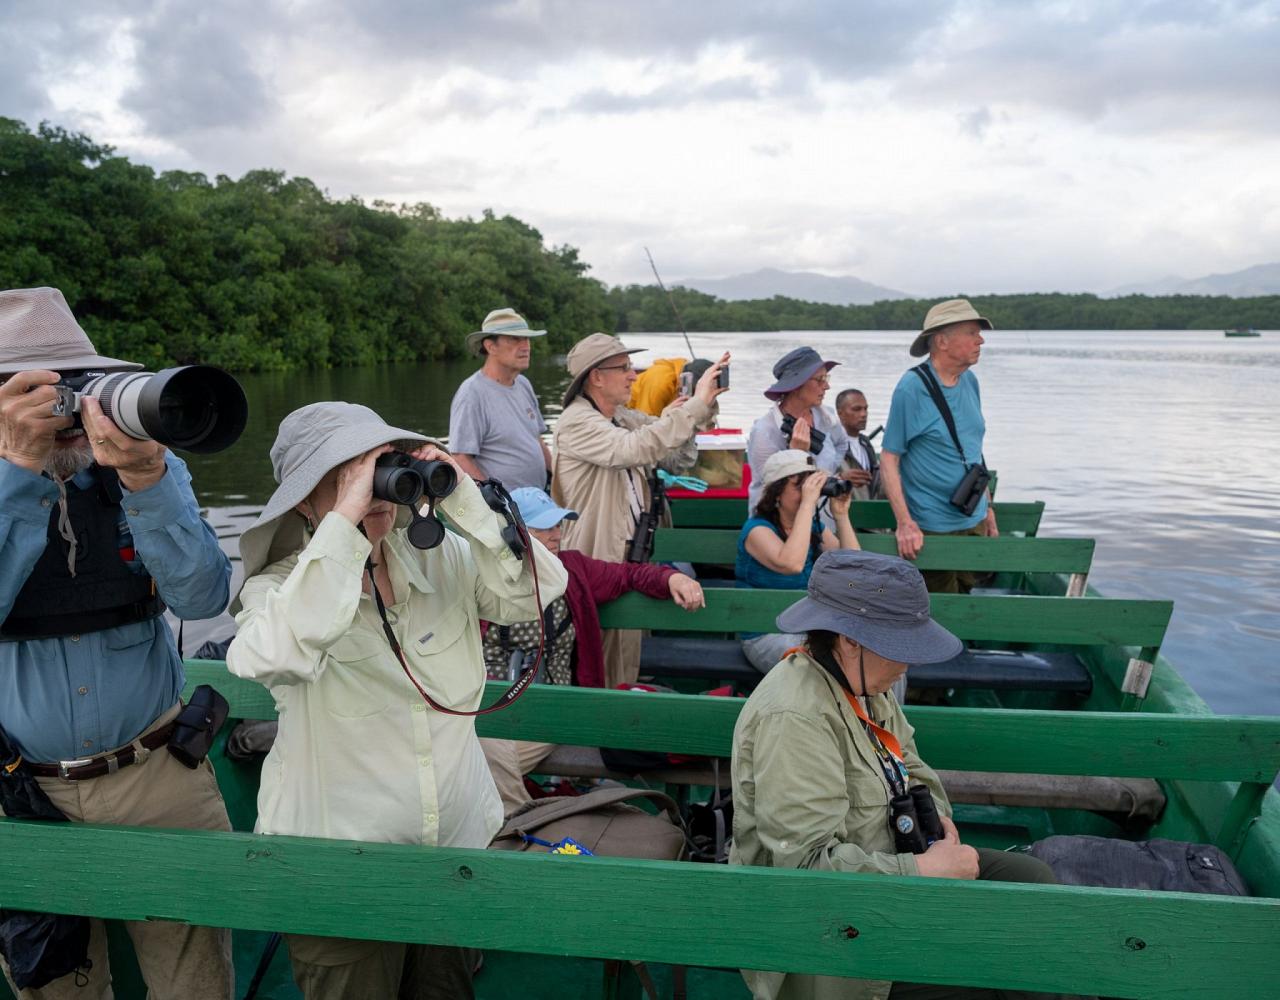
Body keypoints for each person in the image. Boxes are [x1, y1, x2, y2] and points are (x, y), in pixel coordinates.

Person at [226, 402, 568, 1000]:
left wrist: (465, 500)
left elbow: (535, 589)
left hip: (454, 858)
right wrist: (345, 522)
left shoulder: (442, 557)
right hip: (339, 879)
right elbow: (273, 655)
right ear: (304, 502)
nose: (375, 485)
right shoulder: (277, 588)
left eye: (383, 465)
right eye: (347, 473)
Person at [0, 287, 234, 999]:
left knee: (196, 986)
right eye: (40, 390)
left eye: (78, 386)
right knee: (58, 988)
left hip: (160, 774)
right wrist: (16, 473)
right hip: (20, 791)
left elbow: (204, 597)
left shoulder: (147, 464)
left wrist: (146, 476)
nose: (66, 409)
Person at [730, 550, 1059, 1000]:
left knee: (1033, 881)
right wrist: (925, 870)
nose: (909, 664)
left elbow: (912, 766)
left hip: (891, 870)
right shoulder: (795, 717)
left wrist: (938, 826)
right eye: (901, 646)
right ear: (849, 641)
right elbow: (807, 871)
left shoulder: (862, 684)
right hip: (827, 934)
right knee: (1016, 972)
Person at [479, 486, 705, 813]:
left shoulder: (572, 568)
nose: (557, 534)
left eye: (558, 525)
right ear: (513, 533)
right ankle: (523, 823)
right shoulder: (483, 574)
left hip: (555, 706)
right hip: (490, 707)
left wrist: (672, 579)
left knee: (482, 759)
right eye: (544, 527)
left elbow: (628, 575)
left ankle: (516, 825)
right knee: (481, 750)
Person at [551, 332, 729, 687]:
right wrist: (691, 409)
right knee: (601, 662)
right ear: (596, 377)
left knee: (626, 658)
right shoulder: (576, 422)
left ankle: (624, 712)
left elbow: (675, 458)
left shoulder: (620, 418)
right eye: (624, 368)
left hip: (631, 559)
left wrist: (697, 410)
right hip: (597, 558)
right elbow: (633, 449)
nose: (634, 375)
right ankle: (600, 720)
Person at [880, 299, 998, 594]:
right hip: (932, 528)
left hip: (974, 519)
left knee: (967, 598)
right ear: (942, 341)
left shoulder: (970, 381)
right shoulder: (911, 388)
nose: (981, 340)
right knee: (940, 608)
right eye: (972, 333)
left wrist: (988, 508)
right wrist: (905, 523)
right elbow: (889, 458)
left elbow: (973, 450)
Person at [735, 450, 871, 678]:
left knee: (878, 657)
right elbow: (792, 564)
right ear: (777, 492)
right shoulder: (756, 530)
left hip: (808, 629)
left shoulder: (812, 527)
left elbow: (853, 568)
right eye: (800, 487)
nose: (809, 493)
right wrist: (808, 504)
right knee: (829, 664)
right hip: (767, 634)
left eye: (812, 486)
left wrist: (841, 515)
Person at [448, 307, 552, 490]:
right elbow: (460, 458)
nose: (526, 346)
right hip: (504, 505)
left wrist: (558, 476)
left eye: (527, 338)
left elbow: (537, 439)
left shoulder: (523, 384)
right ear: (491, 346)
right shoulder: (472, 393)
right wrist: (497, 499)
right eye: (515, 339)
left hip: (540, 499)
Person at [747, 346, 852, 527]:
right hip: (779, 530)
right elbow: (770, 491)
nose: (827, 386)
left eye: (826, 378)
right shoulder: (765, 432)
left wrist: (826, 474)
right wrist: (796, 456)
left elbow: (842, 444)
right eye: (820, 380)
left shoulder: (826, 416)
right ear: (796, 386)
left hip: (824, 525)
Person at [835, 387, 880, 500]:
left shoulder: (865, 444)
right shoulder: (831, 445)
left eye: (865, 409)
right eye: (856, 409)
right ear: (840, 413)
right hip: (843, 506)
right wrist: (840, 478)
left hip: (867, 506)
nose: (864, 414)